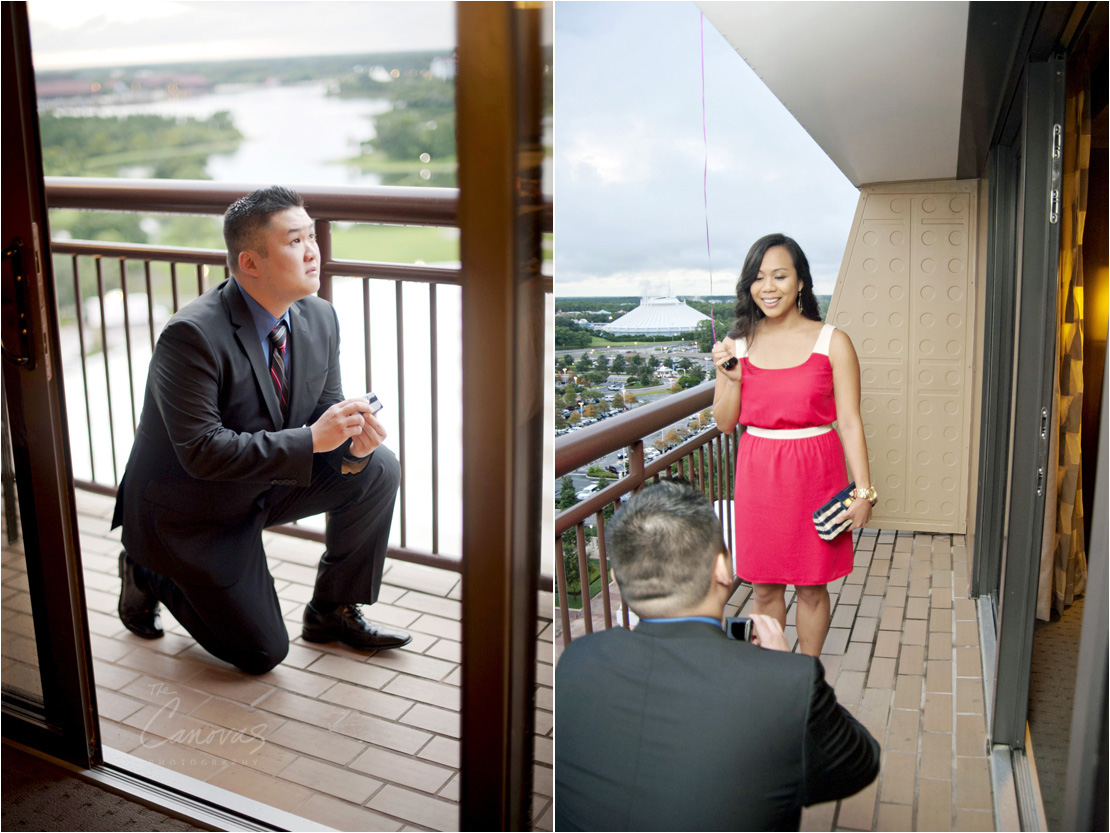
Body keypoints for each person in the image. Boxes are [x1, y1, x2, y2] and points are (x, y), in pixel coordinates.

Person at [112, 186, 410, 675]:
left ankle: (331, 611)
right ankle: (150, 569)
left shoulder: (320, 316)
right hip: (194, 510)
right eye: (295, 241)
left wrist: (353, 450)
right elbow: (202, 452)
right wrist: (315, 439)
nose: (314, 251)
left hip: (263, 482)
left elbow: (325, 415)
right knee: (262, 655)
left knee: (378, 468)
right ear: (250, 263)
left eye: (312, 236)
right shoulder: (190, 336)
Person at [555, 481, 879, 832]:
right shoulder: (787, 684)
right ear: (723, 569)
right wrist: (789, 669)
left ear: (618, 579)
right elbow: (860, 762)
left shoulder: (576, 660)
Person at [711, 233, 876, 658]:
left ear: (800, 281)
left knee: (812, 587)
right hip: (759, 474)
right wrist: (732, 380)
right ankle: (774, 678)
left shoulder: (833, 342)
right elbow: (725, 423)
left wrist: (863, 492)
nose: (769, 287)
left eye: (780, 276)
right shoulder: (738, 345)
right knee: (764, 589)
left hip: (816, 473)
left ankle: (808, 676)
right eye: (759, 278)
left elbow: (852, 422)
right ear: (749, 285)